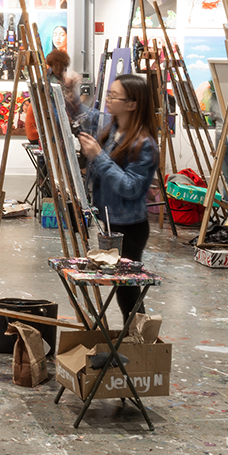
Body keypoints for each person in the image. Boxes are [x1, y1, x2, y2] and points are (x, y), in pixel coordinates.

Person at [77, 73, 159, 320]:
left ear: (132, 104)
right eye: (109, 94)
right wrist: (67, 92)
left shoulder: (144, 144)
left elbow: (131, 187)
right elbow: (82, 115)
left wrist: (98, 156)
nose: (108, 99)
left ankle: (140, 344)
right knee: (123, 289)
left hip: (131, 227)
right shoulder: (112, 128)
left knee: (128, 293)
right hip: (112, 222)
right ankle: (134, 341)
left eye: (114, 95)